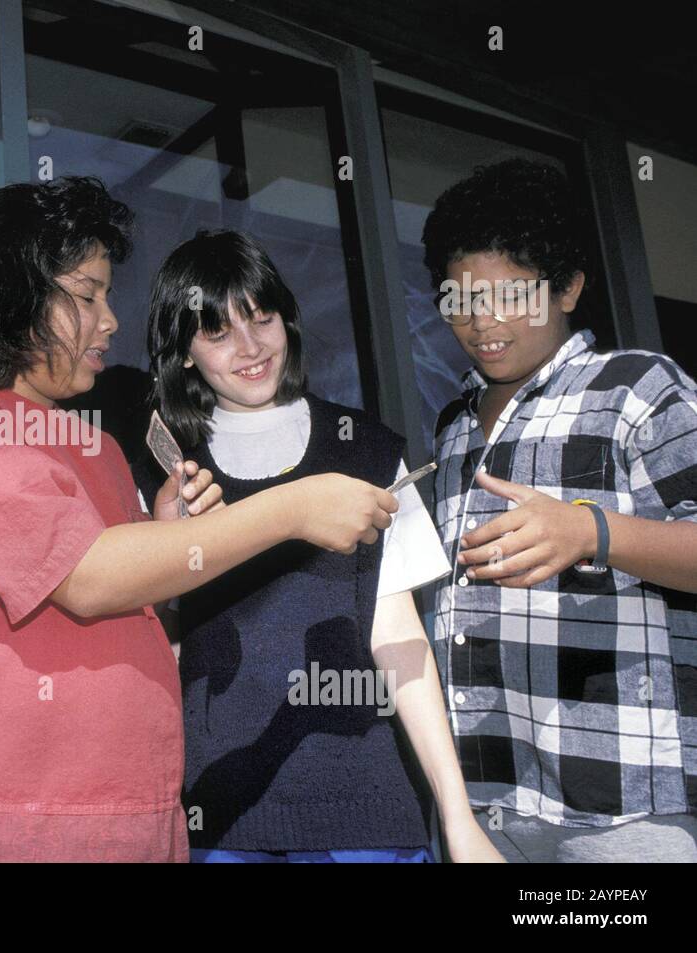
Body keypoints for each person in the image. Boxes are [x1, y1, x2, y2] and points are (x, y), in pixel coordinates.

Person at [0, 177, 404, 862]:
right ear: (11, 295)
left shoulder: (100, 452)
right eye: (87, 295)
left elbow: (143, 607)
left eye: (108, 295)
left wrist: (169, 533)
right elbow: (88, 578)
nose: (111, 319)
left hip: (129, 821)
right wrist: (293, 507)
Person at [132, 229, 500, 862]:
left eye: (262, 318)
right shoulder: (164, 478)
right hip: (217, 817)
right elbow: (155, 651)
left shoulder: (370, 449)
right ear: (185, 353)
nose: (250, 349)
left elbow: (398, 636)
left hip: (369, 814)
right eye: (218, 333)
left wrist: (457, 815)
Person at [422, 157, 697, 862]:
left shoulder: (636, 390)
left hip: (626, 812)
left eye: (510, 296)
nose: (481, 322)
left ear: (569, 287)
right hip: (491, 800)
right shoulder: (452, 427)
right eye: (459, 300)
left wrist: (590, 530)